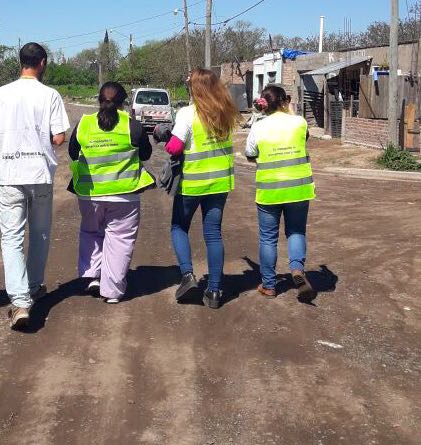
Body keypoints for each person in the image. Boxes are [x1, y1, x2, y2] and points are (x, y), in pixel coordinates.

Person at [0, 42, 70, 330]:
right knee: (40, 233)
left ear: (20, 62)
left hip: (10, 174)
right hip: (40, 173)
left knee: (12, 237)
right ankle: (32, 286)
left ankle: (20, 302)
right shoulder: (50, 95)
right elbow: (59, 138)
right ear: (42, 62)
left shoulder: (2, 93)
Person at [69, 82, 154, 302]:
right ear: (123, 103)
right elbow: (146, 154)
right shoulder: (132, 126)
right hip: (124, 196)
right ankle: (113, 292)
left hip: (90, 194)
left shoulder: (84, 123)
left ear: (99, 100)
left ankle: (92, 276)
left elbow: (72, 152)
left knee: (91, 232)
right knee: (120, 241)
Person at [165, 68, 239, 309]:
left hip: (193, 183)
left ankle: (188, 275)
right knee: (213, 234)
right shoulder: (225, 112)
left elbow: (175, 147)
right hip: (219, 183)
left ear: (194, 89)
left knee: (179, 227)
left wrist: (165, 137)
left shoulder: (188, 113)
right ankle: (215, 291)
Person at [245, 84, 316, 302]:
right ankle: (296, 269)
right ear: (285, 102)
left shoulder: (258, 127)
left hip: (270, 191)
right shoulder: (299, 122)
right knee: (296, 231)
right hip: (298, 189)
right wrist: (289, 110)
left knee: (268, 238)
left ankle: (269, 285)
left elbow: (250, 153)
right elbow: (304, 138)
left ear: (263, 104)